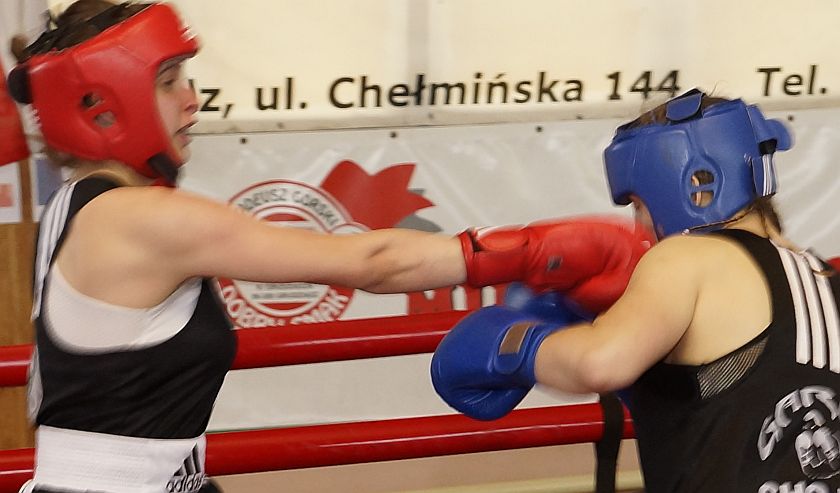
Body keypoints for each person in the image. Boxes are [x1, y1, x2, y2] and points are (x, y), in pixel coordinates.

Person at [5, 2, 654, 492]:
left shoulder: (75, 206)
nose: (193, 101)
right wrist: (532, 249)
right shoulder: (139, 218)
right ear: (103, 103)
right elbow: (371, 263)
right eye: (169, 80)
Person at [432, 88, 840, 491]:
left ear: (697, 184)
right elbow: (742, 397)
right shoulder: (824, 279)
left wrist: (512, 344)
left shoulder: (686, 257)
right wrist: (654, 387)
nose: (640, 225)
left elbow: (600, 362)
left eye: (639, 205)